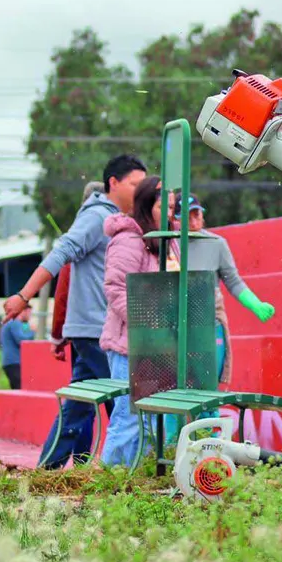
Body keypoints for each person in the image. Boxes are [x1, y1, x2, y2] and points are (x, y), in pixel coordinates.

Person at [4, 154, 147, 469]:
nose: (139, 191)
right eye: (134, 184)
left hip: (89, 330)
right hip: (98, 330)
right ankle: (127, 471)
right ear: (114, 182)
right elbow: (62, 253)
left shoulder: (119, 220)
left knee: (79, 407)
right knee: (126, 402)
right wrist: (23, 295)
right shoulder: (98, 217)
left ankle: (47, 470)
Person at [172, 194, 275, 385]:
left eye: (197, 215)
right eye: (187, 217)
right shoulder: (169, 244)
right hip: (176, 324)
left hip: (210, 321)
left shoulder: (216, 243)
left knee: (209, 383)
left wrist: (255, 304)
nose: (194, 221)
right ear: (176, 219)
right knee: (176, 387)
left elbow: (233, 281)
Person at [100, 176, 164, 466]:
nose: (171, 214)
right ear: (148, 205)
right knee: (128, 417)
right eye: (166, 206)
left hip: (156, 346)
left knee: (148, 418)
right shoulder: (129, 239)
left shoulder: (165, 242)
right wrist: (146, 323)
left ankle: (137, 480)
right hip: (130, 344)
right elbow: (116, 288)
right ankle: (109, 480)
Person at [48, 182, 106, 363]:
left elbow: (63, 291)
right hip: (103, 329)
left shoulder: (80, 234)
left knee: (85, 385)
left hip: (85, 329)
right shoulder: (110, 231)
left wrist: (57, 335)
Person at [0, 309, 34, 390]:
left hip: (11, 362)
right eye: (29, 313)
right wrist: (32, 332)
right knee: (20, 389)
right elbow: (22, 340)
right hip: (14, 362)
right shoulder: (15, 322)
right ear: (23, 311)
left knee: (17, 390)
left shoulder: (16, 323)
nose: (30, 316)